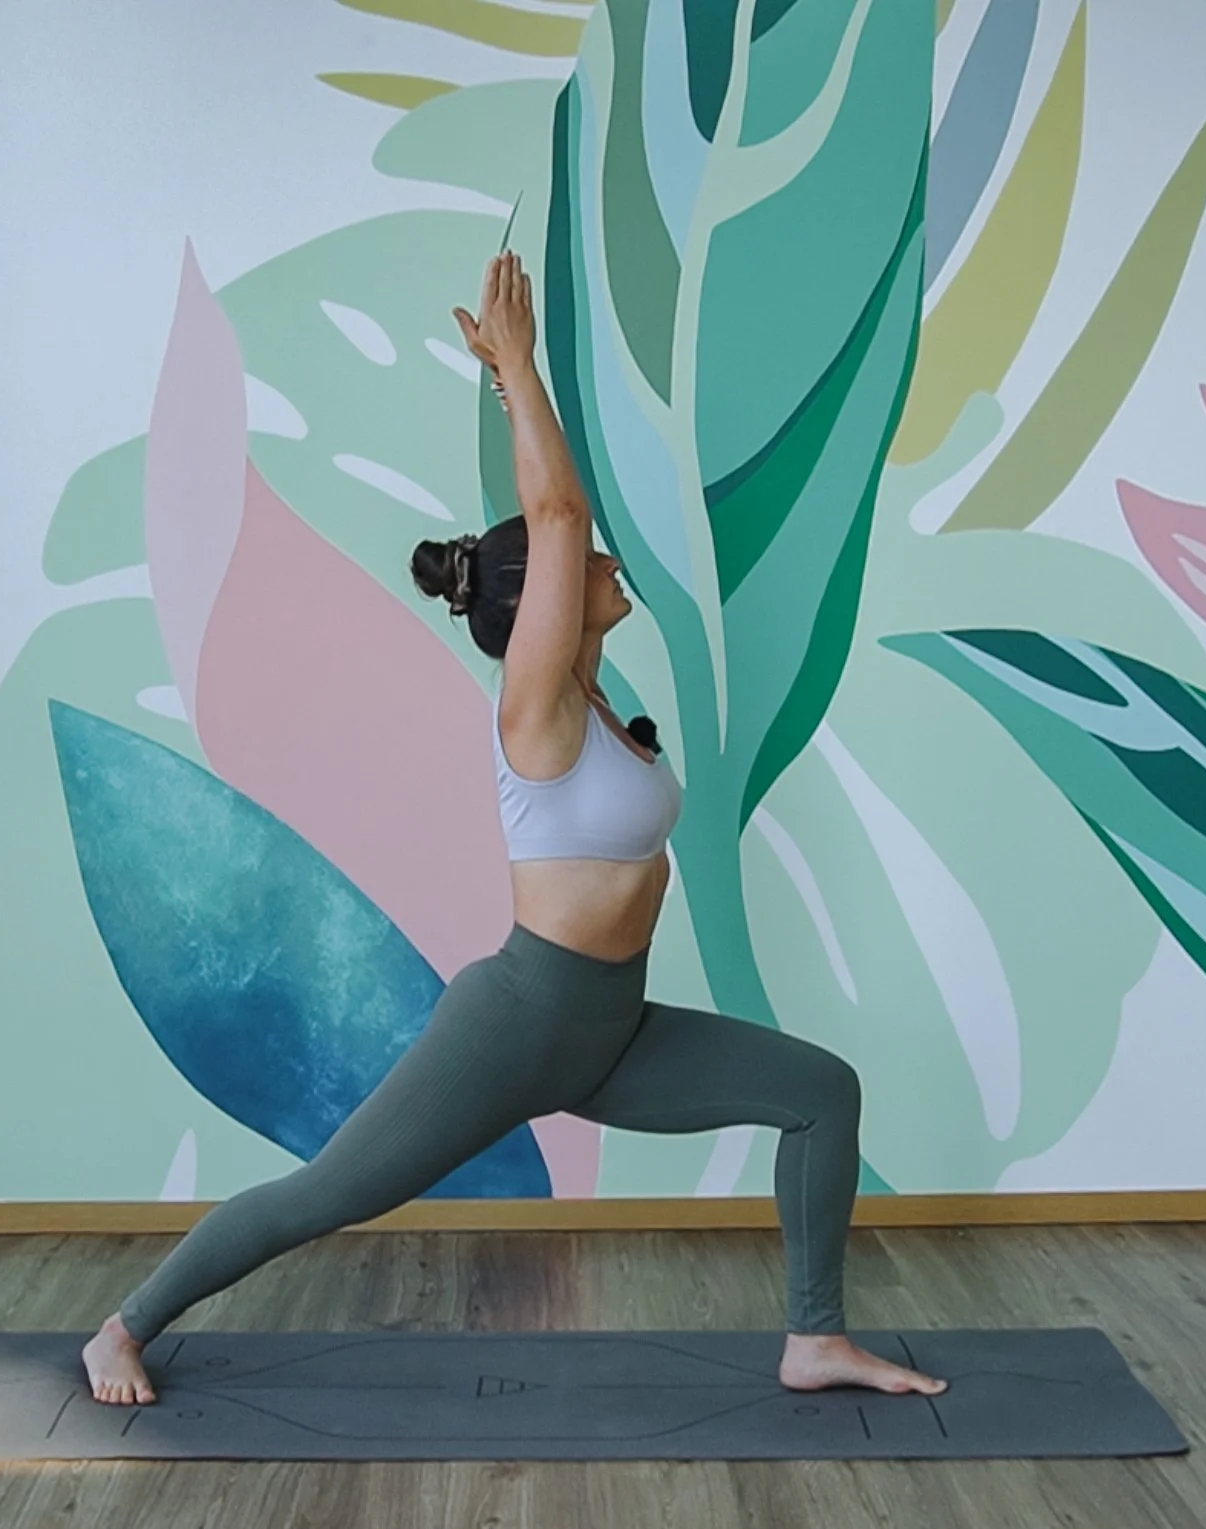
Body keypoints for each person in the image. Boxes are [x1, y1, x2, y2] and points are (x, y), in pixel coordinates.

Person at [82, 251, 946, 1406]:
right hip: (521, 1017)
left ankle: (813, 1337)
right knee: (327, 1193)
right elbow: (554, 509)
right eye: (578, 562)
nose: (599, 558)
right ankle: (122, 1328)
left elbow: (559, 527)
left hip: (608, 1028)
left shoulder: (589, 699)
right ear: (535, 596)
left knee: (819, 1090)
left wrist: (509, 379)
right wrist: (520, 370)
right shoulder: (532, 709)